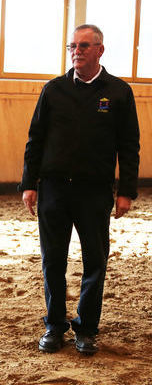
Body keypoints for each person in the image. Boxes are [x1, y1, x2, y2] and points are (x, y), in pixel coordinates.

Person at [20, 24, 140, 355]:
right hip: (54, 190)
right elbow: (36, 139)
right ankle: (54, 326)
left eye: (84, 46)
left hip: (95, 192)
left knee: (95, 262)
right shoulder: (53, 90)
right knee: (53, 261)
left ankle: (86, 329)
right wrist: (29, 184)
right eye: (72, 46)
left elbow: (129, 145)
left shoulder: (118, 92)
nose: (77, 51)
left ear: (100, 50)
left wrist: (126, 190)